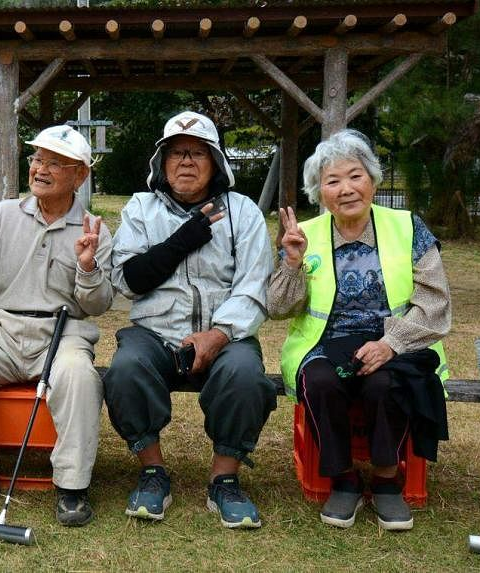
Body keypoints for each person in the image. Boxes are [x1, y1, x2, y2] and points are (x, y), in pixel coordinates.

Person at [269, 129, 451, 531]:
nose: (346, 189)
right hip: (326, 344)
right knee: (320, 381)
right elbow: (278, 308)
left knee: (383, 385)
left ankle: (387, 481)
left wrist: (390, 344)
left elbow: (436, 303)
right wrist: (291, 263)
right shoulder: (308, 234)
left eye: (356, 176)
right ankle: (343, 478)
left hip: (395, 341)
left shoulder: (408, 227)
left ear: (372, 179)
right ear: (319, 191)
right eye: (332, 181)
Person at [104, 111, 276, 528]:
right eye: (177, 152)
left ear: (216, 162)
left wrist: (218, 334)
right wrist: (187, 237)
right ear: (161, 162)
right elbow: (130, 279)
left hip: (225, 333)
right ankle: (152, 472)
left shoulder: (243, 211)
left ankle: (224, 478)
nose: (186, 161)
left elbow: (255, 284)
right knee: (125, 370)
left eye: (198, 153)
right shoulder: (141, 208)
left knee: (248, 376)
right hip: (156, 331)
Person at [0, 125, 113, 527]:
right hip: (0, 328)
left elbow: (98, 304)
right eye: (37, 160)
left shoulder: (92, 230)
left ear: (80, 175)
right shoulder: (2, 215)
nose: (40, 169)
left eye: (55, 163)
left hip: (63, 331)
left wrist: (87, 268)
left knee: (78, 376)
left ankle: (72, 486)